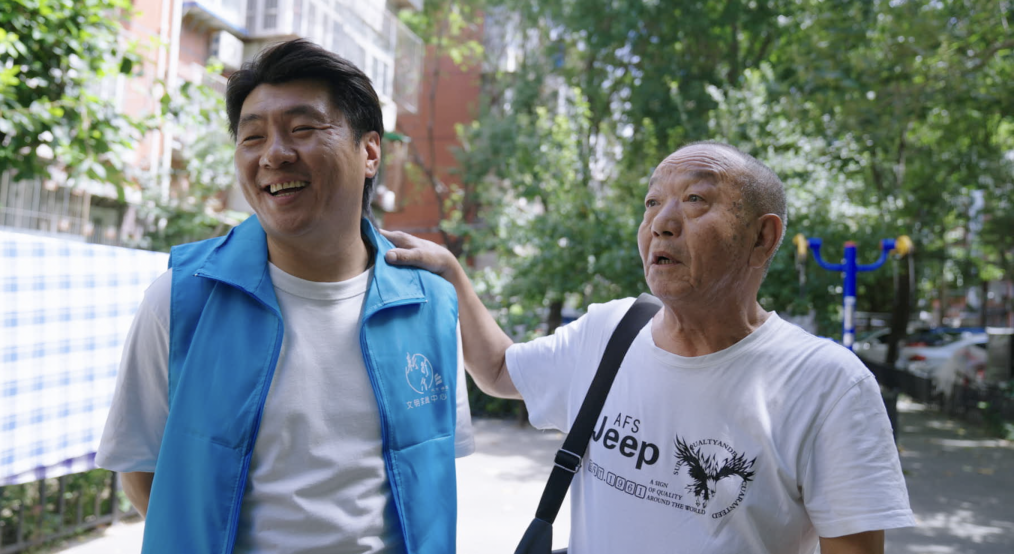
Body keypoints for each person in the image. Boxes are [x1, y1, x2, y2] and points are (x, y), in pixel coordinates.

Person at [383, 142, 915, 553]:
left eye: (695, 200)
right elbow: (500, 369)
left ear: (763, 237)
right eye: (652, 203)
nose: (661, 223)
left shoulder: (828, 385)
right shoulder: (610, 330)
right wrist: (452, 274)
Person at [96, 39, 474, 554]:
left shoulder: (429, 305)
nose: (274, 154)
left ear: (369, 152)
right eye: (253, 137)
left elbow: (431, 475)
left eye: (302, 129)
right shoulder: (181, 300)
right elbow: (143, 473)